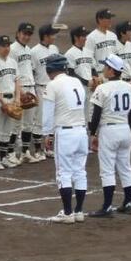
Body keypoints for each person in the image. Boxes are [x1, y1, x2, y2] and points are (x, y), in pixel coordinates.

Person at [87, 55, 131, 217]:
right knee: (125, 167)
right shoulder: (129, 87)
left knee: (107, 170)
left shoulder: (103, 89)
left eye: (105, 67)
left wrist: (93, 134)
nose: (103, 70)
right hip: (124, 129)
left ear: (111, 70)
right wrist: (126, 128)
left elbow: (96, 115)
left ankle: (107, 207)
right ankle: (128, 203)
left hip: (109, 131)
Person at [41, 55, 89, 224]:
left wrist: (47, 133)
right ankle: (79, 211)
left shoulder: (53, 84)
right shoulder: (76, 82)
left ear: (49, 70)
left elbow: (47, 113)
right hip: (81, 131)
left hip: (65, 133)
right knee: (80, 172)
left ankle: (68, 213)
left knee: (64, 173)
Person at [29, 24, 62, 161]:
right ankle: (37, 150)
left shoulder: (55, 49)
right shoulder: (34, 52)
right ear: (46, 36)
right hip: (41, 88)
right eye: (53, 34)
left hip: (54, 87)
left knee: (54, 119)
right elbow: (31, 71)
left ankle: (48, 148)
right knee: (39, 120)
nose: (55, 37)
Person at [0, 35, 21, 169]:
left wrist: (17, 98)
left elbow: (17, 80)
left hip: (12, 99)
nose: (7, 48)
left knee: (7, 131)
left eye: (8, 45)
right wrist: (2, 102)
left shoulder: (13, 62)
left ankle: (4, 158)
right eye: (4, 46)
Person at [9, 22, 37, 164]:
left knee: (28, 124)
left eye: (29, 34)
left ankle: (25, 151)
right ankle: (11, 153)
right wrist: (20, 92)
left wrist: (32, 90)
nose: (27, 36)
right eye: (25, 33)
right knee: (15, 123)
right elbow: (13, 74)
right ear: (18, 33)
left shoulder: (28, 49)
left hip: (30, 87)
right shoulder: (12, 50)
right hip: (19, 89)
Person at [65, 25, 99, 125]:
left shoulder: (88, 52)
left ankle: (90, 136)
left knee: (90, 114)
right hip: (78, 89)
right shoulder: (69, 54)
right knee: (79, 115)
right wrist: (86, 82)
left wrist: (96, 78)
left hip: (91, 88)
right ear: (76, 37)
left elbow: (93, 68)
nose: (85, 38)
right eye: (83, 36)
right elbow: (71, 74)